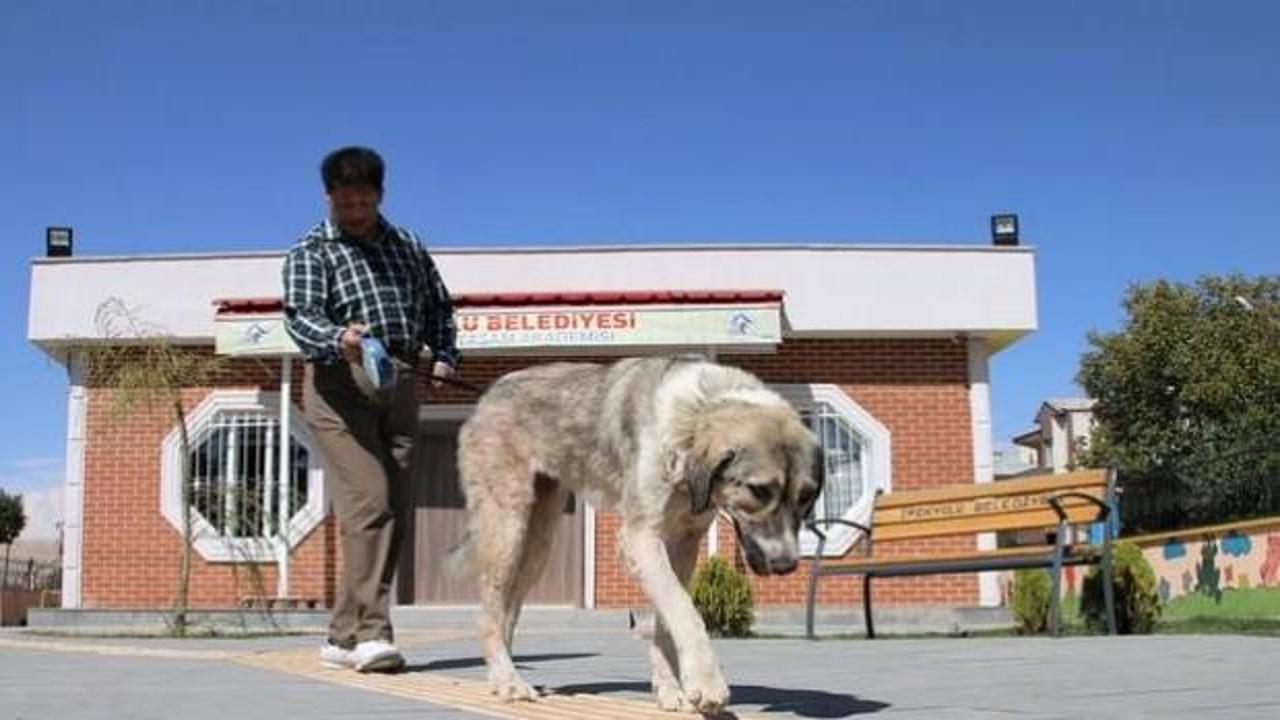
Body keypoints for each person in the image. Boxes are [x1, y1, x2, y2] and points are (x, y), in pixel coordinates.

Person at [282, 146, 460, 672]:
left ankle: (340, 636)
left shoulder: (408, 246)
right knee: (370, 503)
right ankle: (372, 633)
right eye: (344, 203)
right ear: (328, 197)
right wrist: (340, 336)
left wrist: (444, 354)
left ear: (380, 196)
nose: (354, 213)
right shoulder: (311, 250)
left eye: (363, 202)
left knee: (393, 514)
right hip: (339, 385)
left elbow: (439, 307)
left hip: (401, 378)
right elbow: (301, 318)